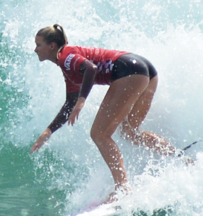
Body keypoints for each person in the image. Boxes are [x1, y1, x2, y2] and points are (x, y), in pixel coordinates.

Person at [30, 24, 181, 199]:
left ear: (52, 46)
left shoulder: (66, 57)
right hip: (145, 69)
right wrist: (49, 131)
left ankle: (122, 188)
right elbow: (70, 102)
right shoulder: (69, 66)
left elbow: (91, 69)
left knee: (99, 134)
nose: (35, 49)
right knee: (130, 132)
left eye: (38, 45)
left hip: (128, 71)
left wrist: (82, 100)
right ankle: (179, 157)